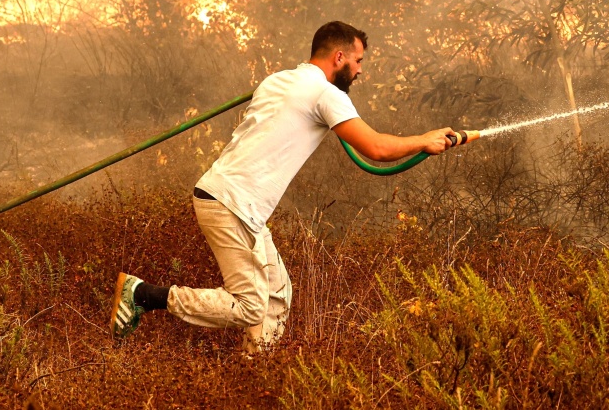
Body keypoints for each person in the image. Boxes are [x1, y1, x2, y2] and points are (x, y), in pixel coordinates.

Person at [110, 21, 454, 351]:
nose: (361, 70)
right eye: (358, 60)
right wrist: (424, 141)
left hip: (231, 201)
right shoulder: (324, 93)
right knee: (250, 307)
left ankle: (254, 374)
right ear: (338, 57)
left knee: (276, 296)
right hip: (233, 203)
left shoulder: (278, 80)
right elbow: (375, 148)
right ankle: (143, 295)